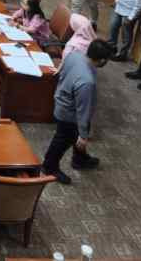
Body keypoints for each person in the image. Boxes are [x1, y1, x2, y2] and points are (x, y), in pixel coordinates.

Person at [41, 39, 111, 184]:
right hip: (68, 114)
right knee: (63, 139)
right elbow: (83, 110)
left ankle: (80, 159)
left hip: (61, 98)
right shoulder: (87, 81)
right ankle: (49, 166)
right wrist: (83, 135)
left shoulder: (74, 55)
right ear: (102, 60)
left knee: (76, 133)